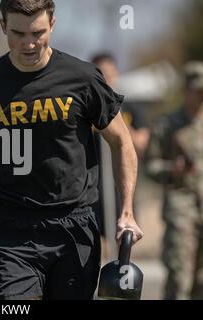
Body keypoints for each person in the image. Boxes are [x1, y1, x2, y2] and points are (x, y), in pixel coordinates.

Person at [0, 0, 143, 300]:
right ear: (3, 25)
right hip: (9, 230)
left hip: (75, 226)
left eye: (38, 33)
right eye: (18, 33)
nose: (29, 44)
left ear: (52, 24)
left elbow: (122, 141)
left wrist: (126, 212)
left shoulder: (83, 79)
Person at [144, 61, 203, 300]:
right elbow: (150, 165)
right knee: (179, 278)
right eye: (197, 91)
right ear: (186, 90)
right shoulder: (167, 125)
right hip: (182, 207)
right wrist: (172, 170)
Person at [90, 53, 150, 250]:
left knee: (121, 243)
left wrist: (117, 124)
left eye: (108, 73)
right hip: (93, 188)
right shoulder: (86, 108)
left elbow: (141, 144)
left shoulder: (130, 108)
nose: (105, 78)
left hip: (119, 188)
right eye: (100, 74)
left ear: (116, 73)